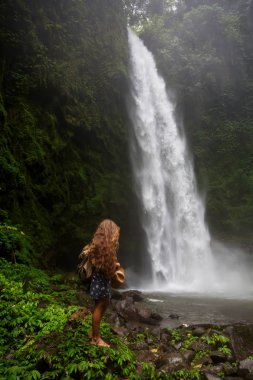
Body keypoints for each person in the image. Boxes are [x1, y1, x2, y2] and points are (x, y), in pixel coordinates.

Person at [79, 219, 121, 347]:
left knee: (104, 303)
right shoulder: (103, 248)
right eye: (114, 233)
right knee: (100, 305)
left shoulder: (97, 245)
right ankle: (96, 339)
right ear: (109, 233)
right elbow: (103, 266)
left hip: (99, 281)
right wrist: (114, 266)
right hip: (101, 281)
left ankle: (93, 332)